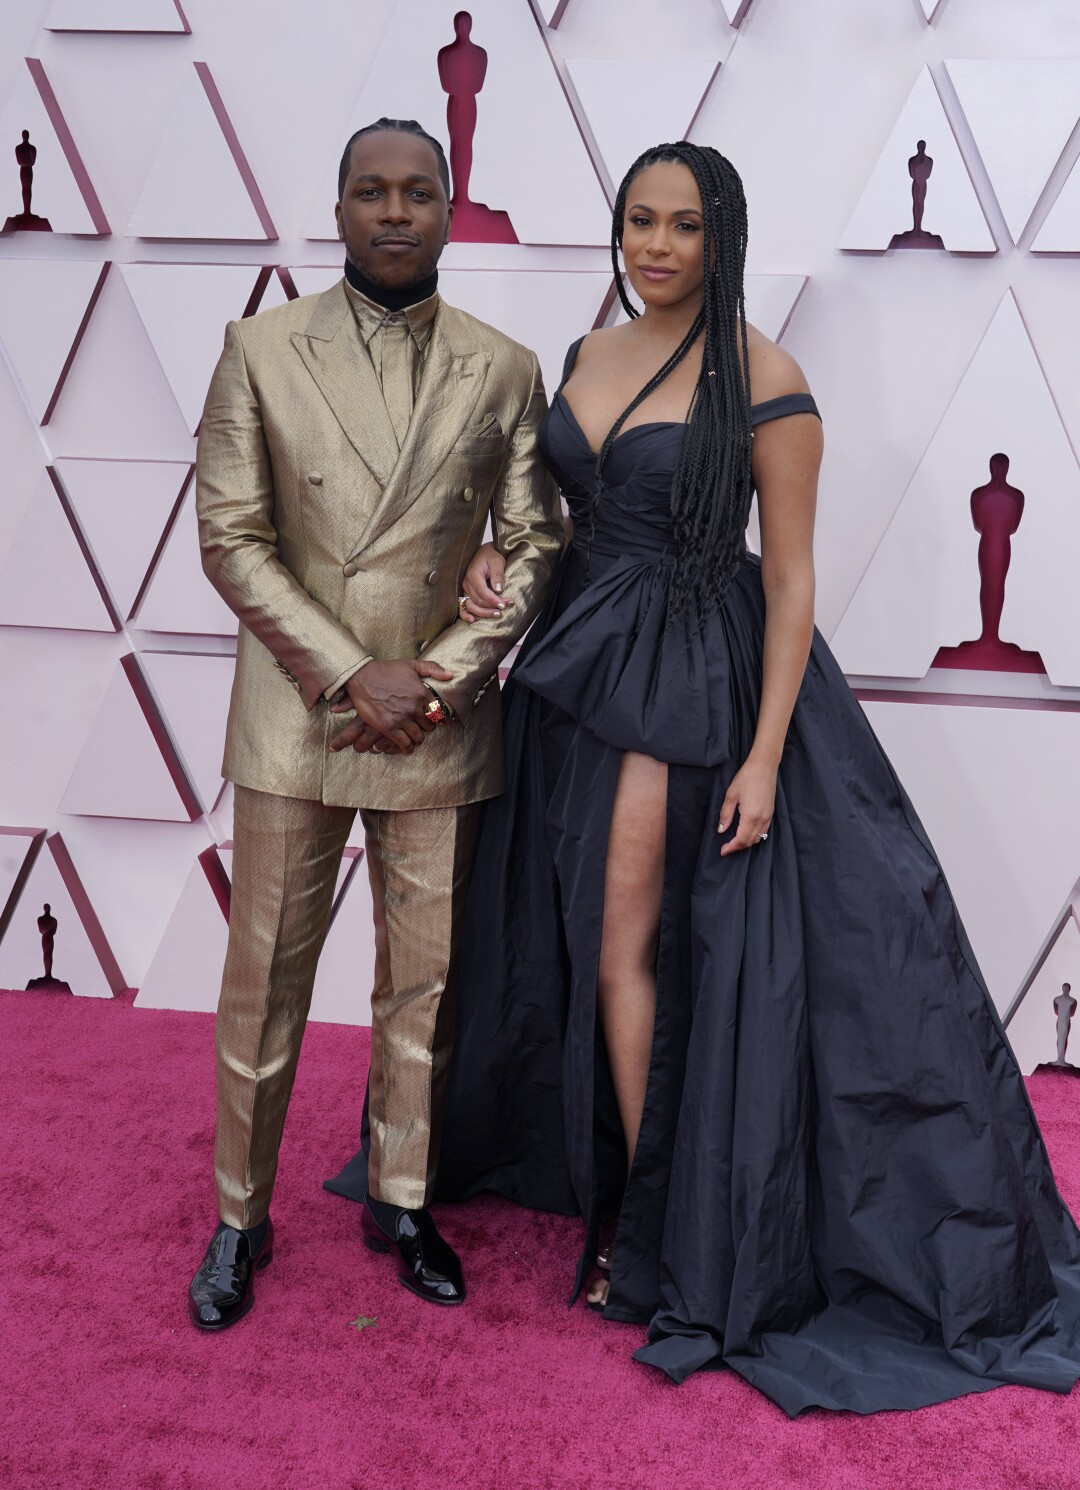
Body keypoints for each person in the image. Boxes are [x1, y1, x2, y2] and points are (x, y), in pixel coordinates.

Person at [429, 141, 1080, 1415]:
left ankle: (654, 1235)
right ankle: (637, 1196)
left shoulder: (766, 375)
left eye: (681, 225)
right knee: (593, 941)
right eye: (637, 221)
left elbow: (788, 579)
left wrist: (769, 751)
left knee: (635, 946)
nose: (655, 246)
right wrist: (499, 566)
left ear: (721, 235)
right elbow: (569, 518)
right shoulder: (585, 354)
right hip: (578, 671)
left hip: (692, 683)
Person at [187, 117, 563, 1330]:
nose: (395, 211)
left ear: (452, 208)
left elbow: (538, 536)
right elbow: (231, 539)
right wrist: (357, 673)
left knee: (426, 984)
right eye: (370, 191)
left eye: (417, 191)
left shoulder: (504, 365)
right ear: (337, 208)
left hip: (438, 719)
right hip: (303, 712)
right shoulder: (259, 348)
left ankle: (402, 1197)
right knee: (266, 978)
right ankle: (240, 1214)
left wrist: (440, 678)